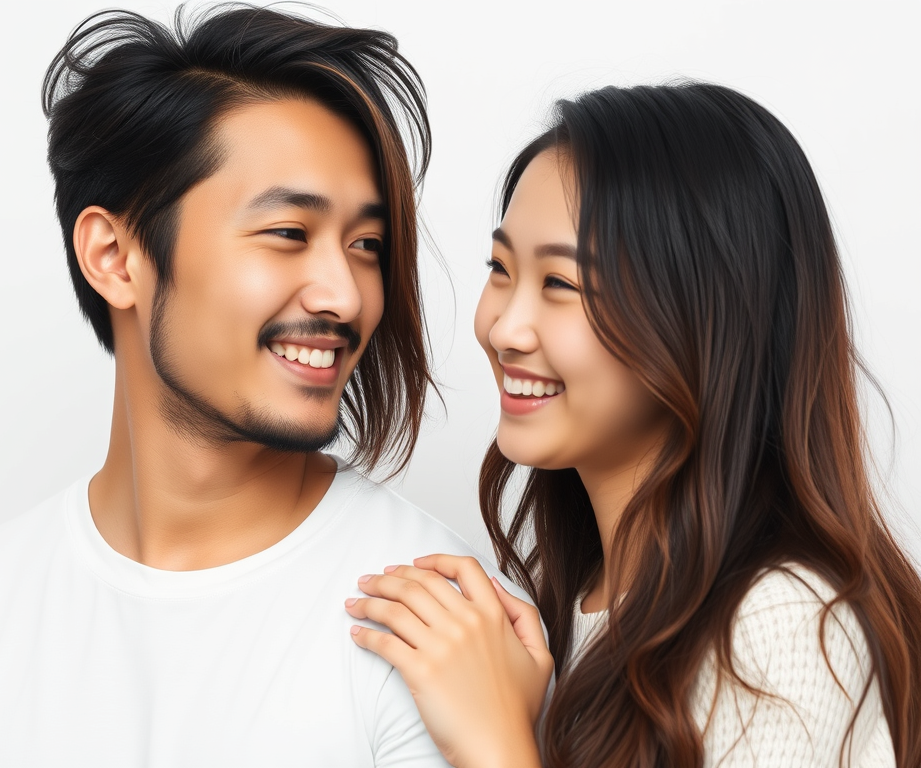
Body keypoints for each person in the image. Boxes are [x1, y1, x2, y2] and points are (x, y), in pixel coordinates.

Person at [0, 5, 529, 766]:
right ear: (114, 256)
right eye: (289, 234)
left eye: (366, 245)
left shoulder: (438, 634)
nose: (347, 294)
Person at [344, 82, 921, 767]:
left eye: (560, 284)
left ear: (703, 322)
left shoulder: (782, 624)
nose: (503, 327)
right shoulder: (583, 604)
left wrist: (496, 745)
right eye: (500, 269)